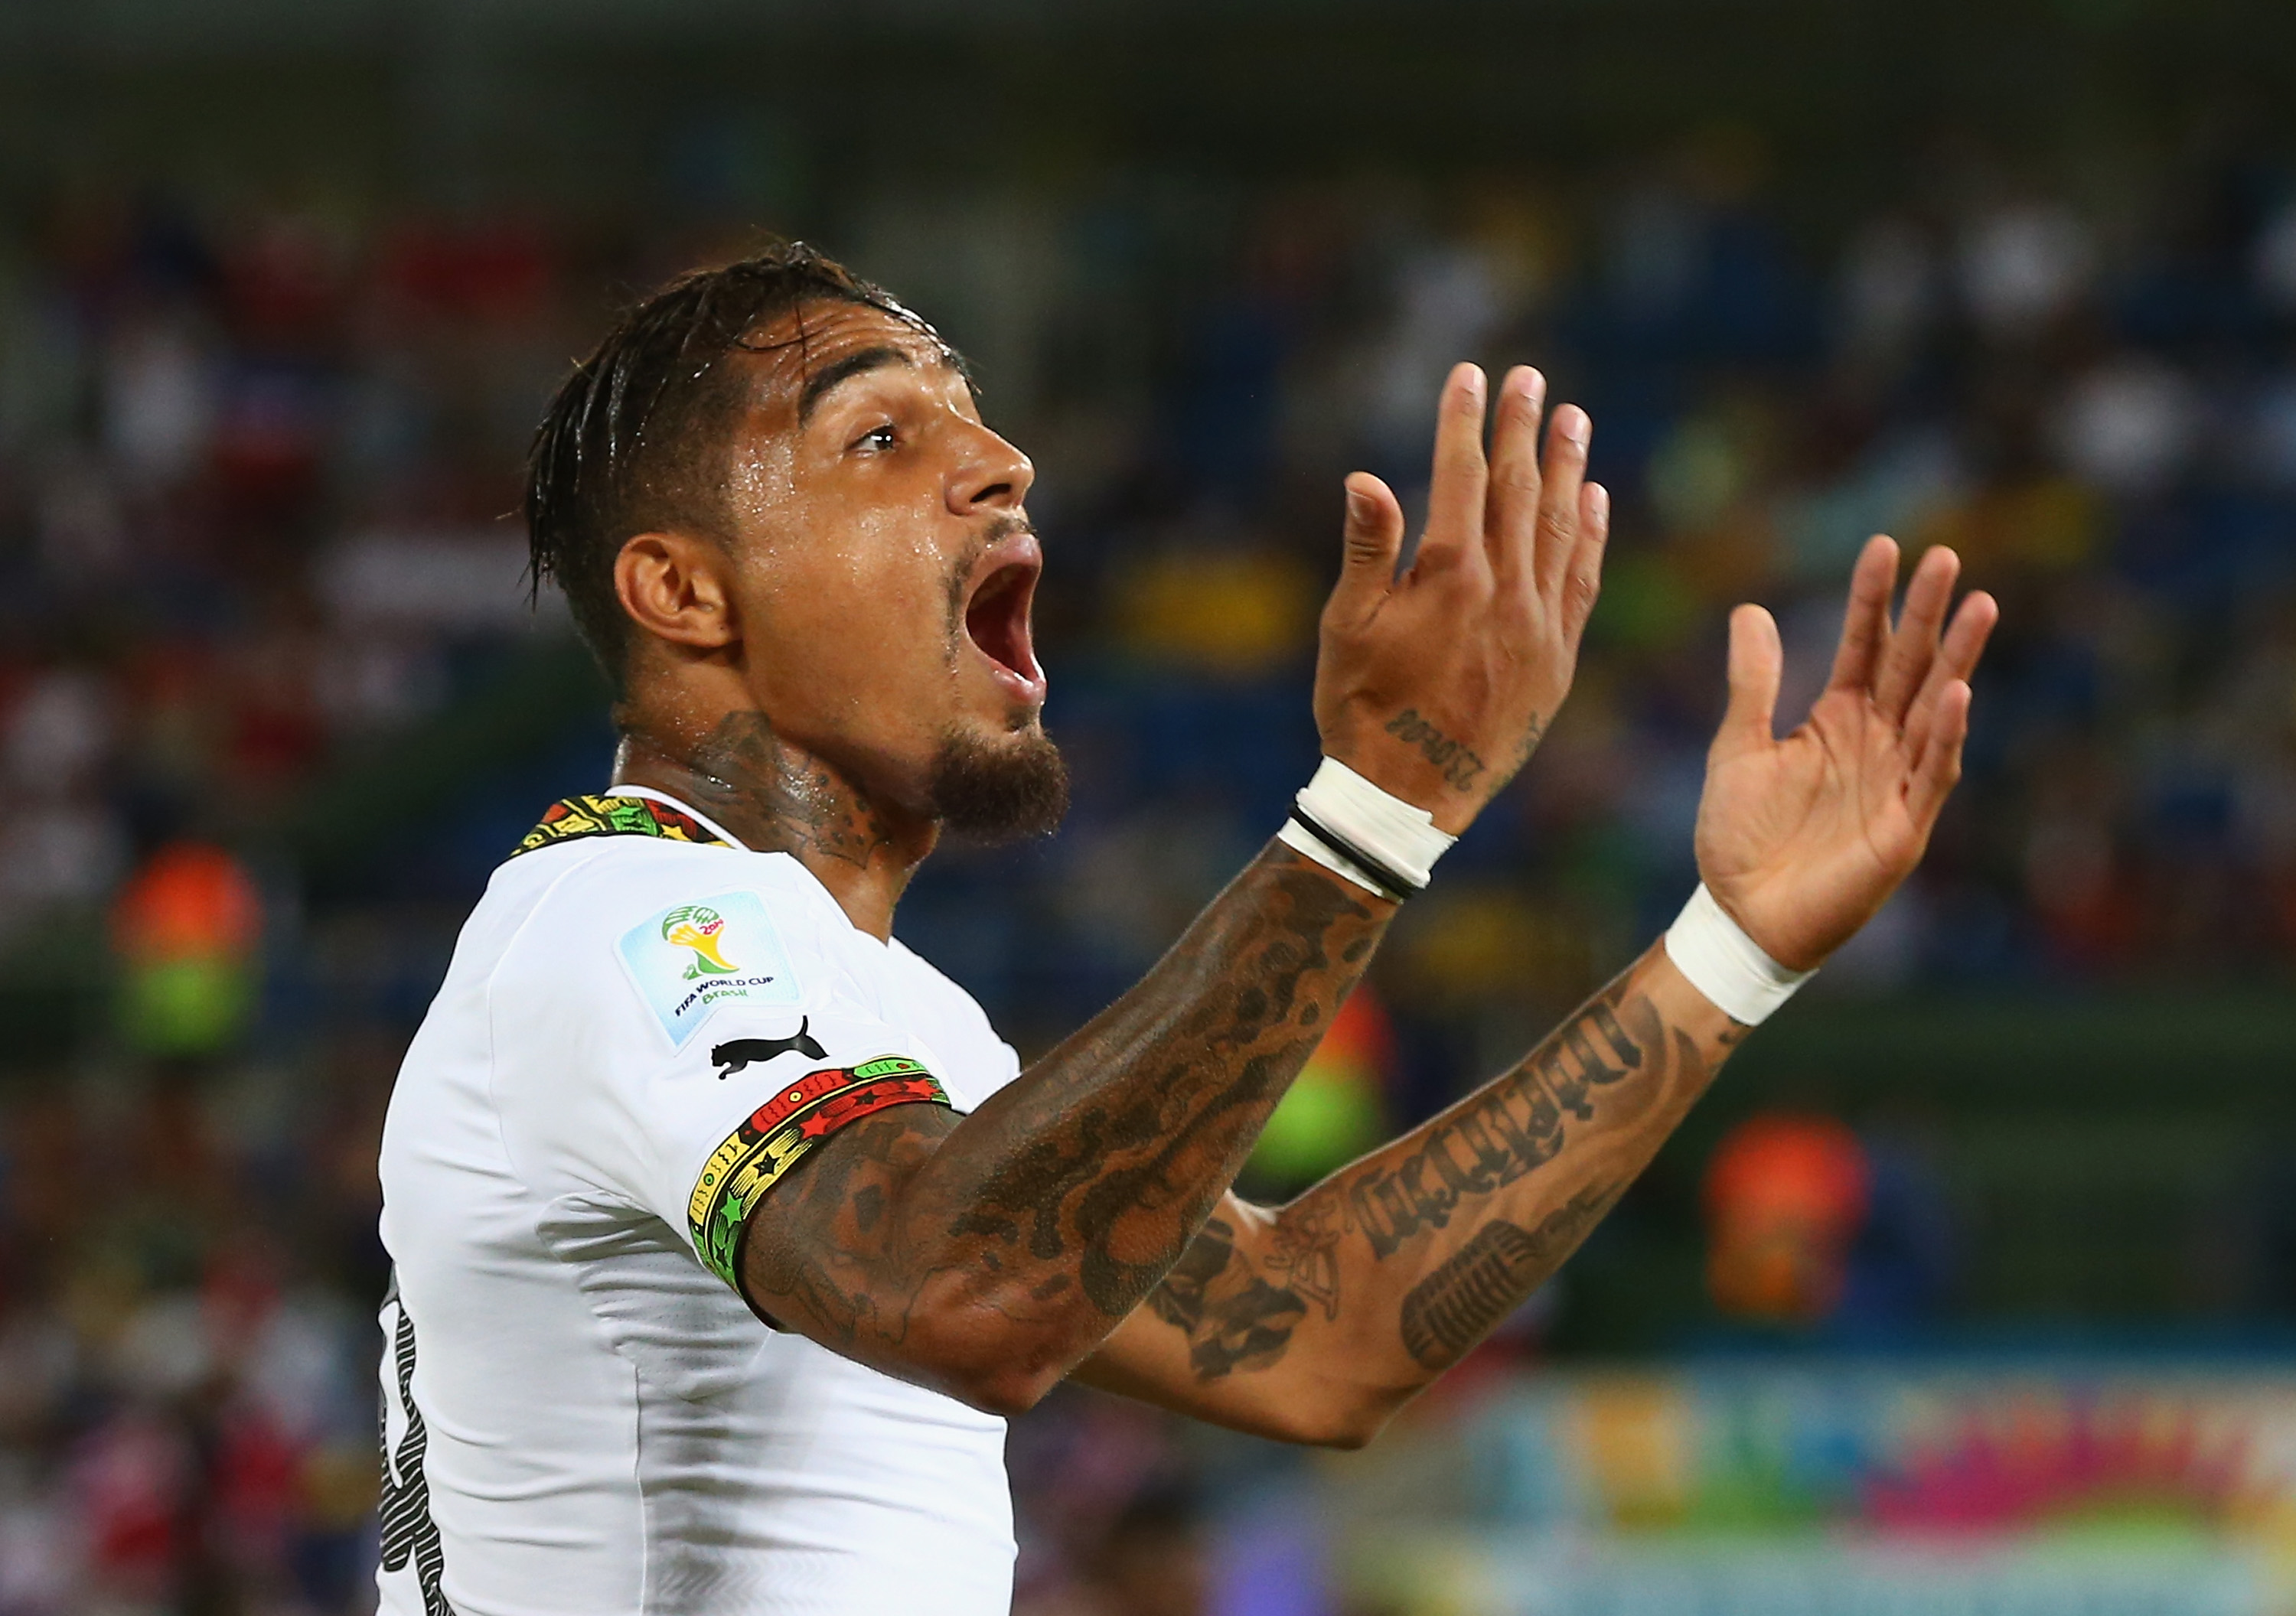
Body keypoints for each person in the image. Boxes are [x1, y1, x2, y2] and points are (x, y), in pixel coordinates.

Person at [374, 241, 1995, 1616]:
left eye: (981, 417)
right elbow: (967, 1295)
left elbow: (1319, 1335)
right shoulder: (632, 927)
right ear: (685, 594)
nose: (1001, 463)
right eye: (879, 437)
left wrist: (1732, 948)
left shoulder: (892, 1025)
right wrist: (1377, 805)